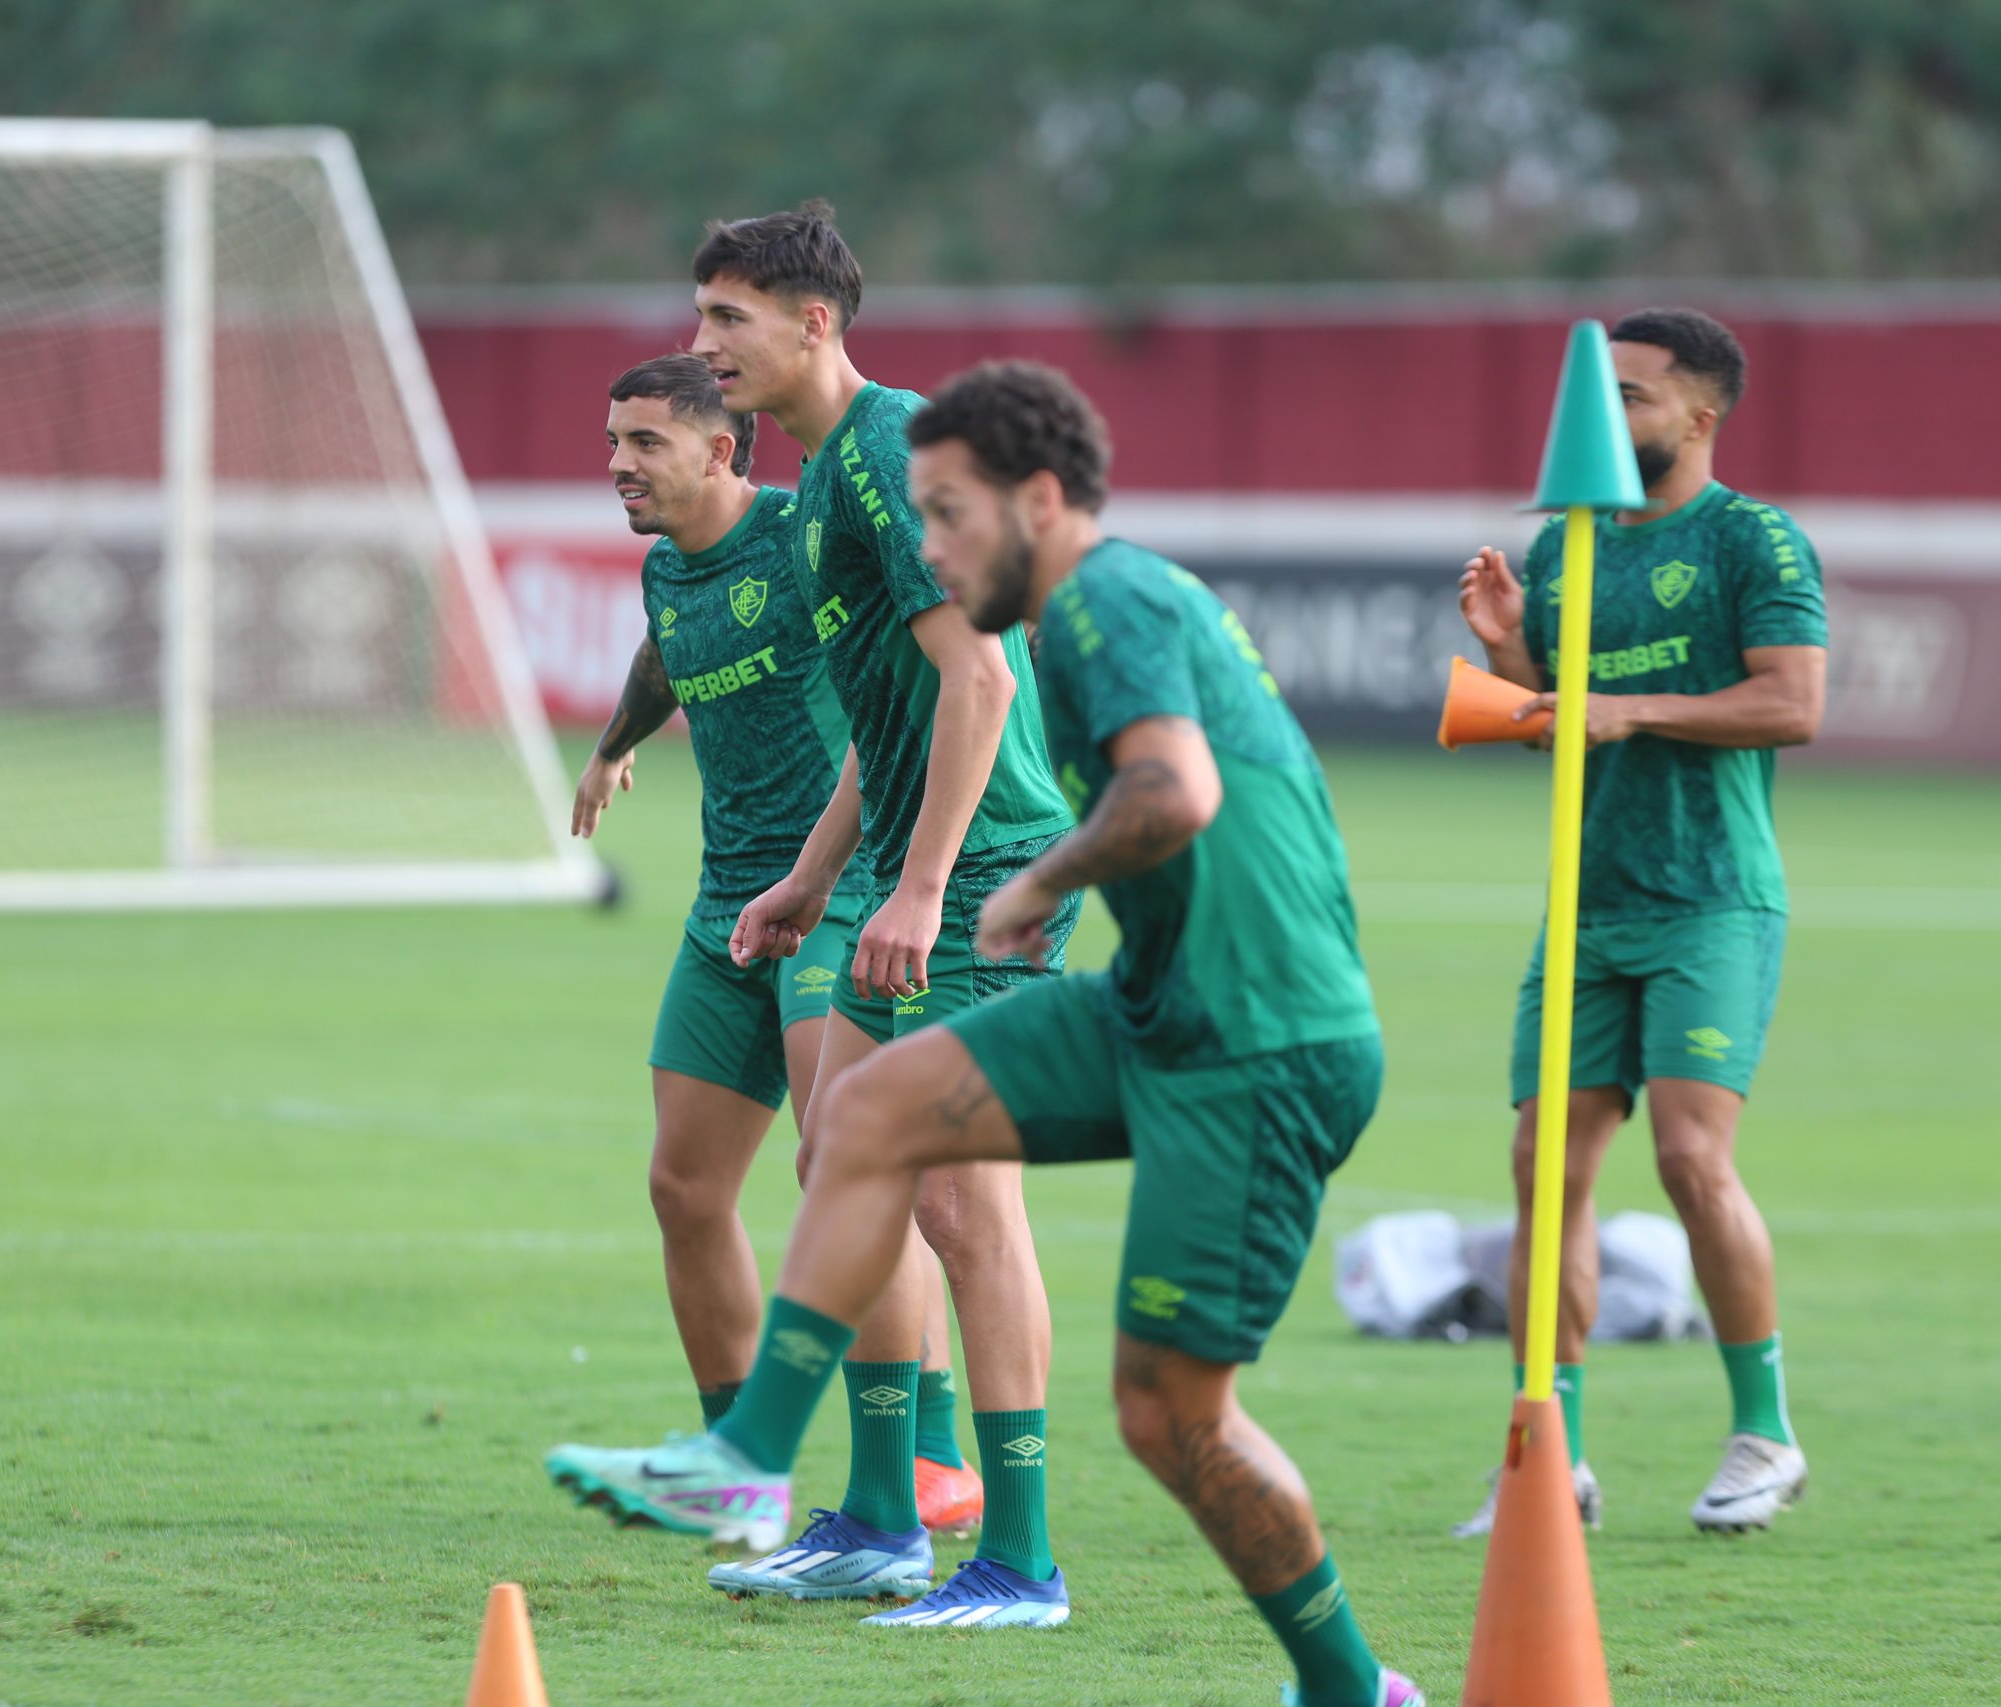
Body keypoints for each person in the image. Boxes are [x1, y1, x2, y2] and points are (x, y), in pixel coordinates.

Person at [540, 360, 1424, 1704]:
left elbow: (1174, 790)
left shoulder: (1104, 602)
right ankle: (755, 1452)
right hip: (1157, 1007)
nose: (932, 551)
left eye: (948, 519)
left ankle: (1346, 1684)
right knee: (867, 1117)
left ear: (1042, 500)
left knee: (1171, 1413)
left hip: (1262, 1047)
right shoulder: (1081, 607)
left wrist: (1028, 882)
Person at [553, 205, 1078, 1628]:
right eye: (704, 314)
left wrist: (914, 883)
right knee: (848, 1167)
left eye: (728, 317)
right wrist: (813, 874)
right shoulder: (835, 470)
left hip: (987, 874)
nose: (706, 342)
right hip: (888, 865)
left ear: (813, 326)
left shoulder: (893, 449)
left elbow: (980, 685)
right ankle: (875, 1516)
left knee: (968, 1204)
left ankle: (1019, 1556)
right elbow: (885, 722)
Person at [1452, 307, 1827, 1537]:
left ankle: (1763, 1437)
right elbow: (1550, 730)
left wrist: (1629, 707)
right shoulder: (1563, 547)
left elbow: (1791, 704)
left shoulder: (1752, 539)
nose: (1604, 416)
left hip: (1711, 897)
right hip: (1585, 910)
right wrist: (1509, 654)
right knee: (1539, 1173)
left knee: (1686, 1160)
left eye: (1631, 396)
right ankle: (1546, 1454)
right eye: (1596, 393)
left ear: (1699, 415)